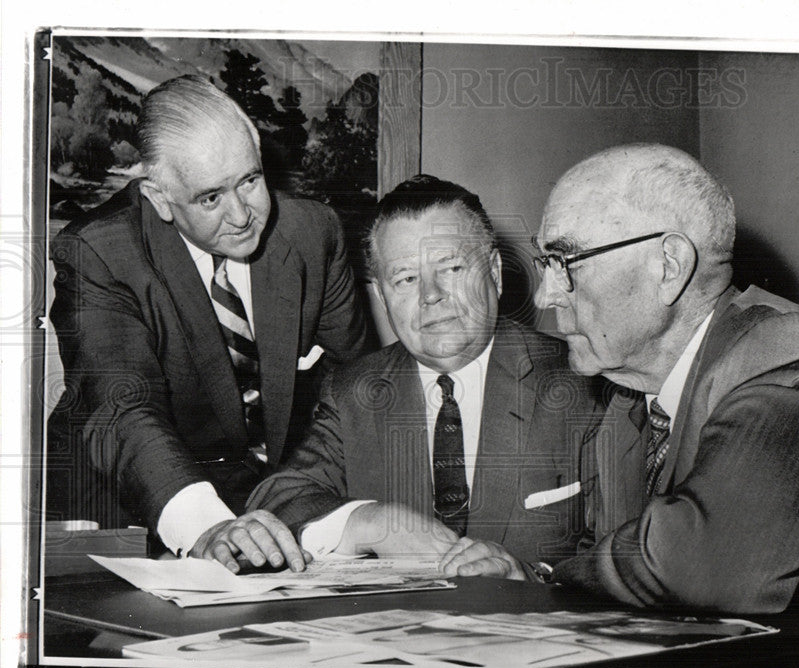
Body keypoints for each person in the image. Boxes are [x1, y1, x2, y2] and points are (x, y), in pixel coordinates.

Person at [466, 143, 799, 614]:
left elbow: (700, 565)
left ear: (669, 266)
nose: (547, 295)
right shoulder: (629, 404)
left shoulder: (789, 357)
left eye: (565, 261)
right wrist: (531, 576)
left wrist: (556, 580)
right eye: (545, 265)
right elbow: (621, 555)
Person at [47, 75, 373, 568]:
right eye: (210, 198)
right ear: (159, 198)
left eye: (250, 180)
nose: (243, 215)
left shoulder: (313, 232)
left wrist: (313, 507)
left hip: (269, 498)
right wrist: (204, 524)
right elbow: (123, 408)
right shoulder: (100, 251)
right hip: (129, 499)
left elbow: (354, 389)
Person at [205, 175, 602, 574]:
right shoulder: (354, 391)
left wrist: (528, 575)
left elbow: (626, 552)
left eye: (452, 268)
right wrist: (371, 521)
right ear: (381, 295)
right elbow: (278, 497)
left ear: (495, 273)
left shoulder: (581, 382)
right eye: (407, 279)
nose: (431, 295)